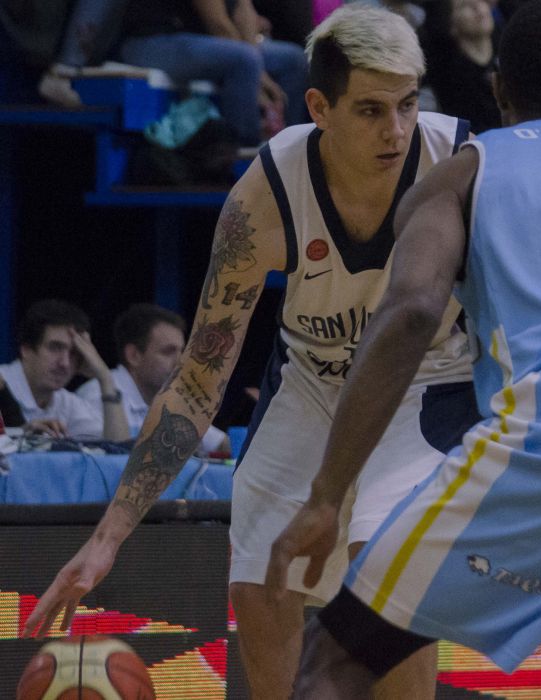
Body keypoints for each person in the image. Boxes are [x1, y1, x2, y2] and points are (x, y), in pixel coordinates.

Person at [22, 5, 479, 699]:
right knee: (261, 581)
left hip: (425, 382)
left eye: (407, 104)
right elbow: (197, 382)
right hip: (315, 379)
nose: (396, 129)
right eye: (371, 110)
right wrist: (108, 537)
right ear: (319, 108)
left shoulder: (460, 163)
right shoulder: (267, 194)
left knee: (383, 565)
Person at [264, 0, 541, 696]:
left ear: (500, 90)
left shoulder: (467, 169)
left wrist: (326, 495)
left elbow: (412, 311)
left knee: (339, 655)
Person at [118, 0, 309, 146]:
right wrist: (260, 79)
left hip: (197, 37)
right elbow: (218, 24)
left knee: (293, 60)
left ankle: (288, 149)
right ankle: (245, 156)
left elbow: (243, 9)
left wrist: (261, 72)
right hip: (151, 41)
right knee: (244, 60)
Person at [76, 303, 229, 454]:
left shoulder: (171, 397)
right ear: (134, 355)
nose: (181, 363)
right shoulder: (98, 393)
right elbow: (113, 458)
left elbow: (224, 444)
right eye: (168, 352)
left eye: (182, 352)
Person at [0, 299, 129, 441]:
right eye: (55, 348)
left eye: (74, 353)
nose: (65, 363)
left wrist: (105, 377)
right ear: (26, 349)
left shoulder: (65, 402)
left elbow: (118, 448)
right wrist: (19, 433)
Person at [420, 0, 501, 133]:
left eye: (481, 0)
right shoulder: (445, 70)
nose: (478, 7)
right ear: (450, 23)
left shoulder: (508, 50)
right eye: (465, 5)